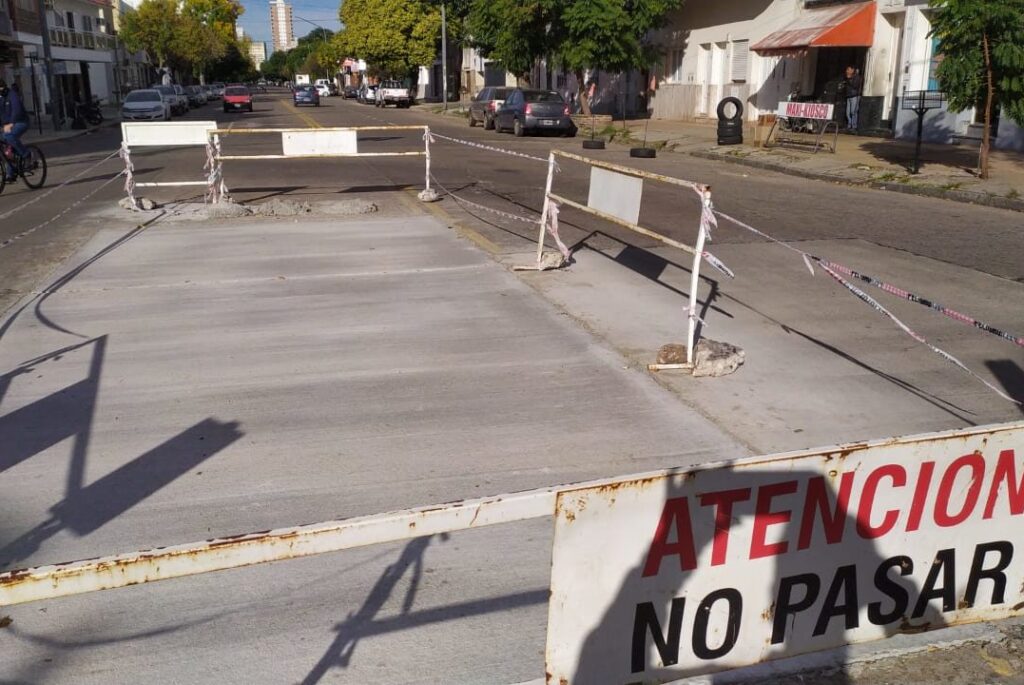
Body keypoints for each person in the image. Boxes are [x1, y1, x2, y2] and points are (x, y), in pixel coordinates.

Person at [0, 79, 31, 181]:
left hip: (20, 122)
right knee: (7, 146)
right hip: (7, 125)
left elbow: (17, 110)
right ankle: (10, 173)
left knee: (8, 136)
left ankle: (26, 154)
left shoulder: (12, 95)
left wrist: (11, 123)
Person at [844, 66, 863, 132]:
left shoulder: (857, 77)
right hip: (848, 96)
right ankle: (849, 125)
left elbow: (855, 86)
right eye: (847, 70)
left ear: (852, 70)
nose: (847, 71)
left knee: (853, 111)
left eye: (848, 69)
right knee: (847, 112)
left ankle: (854, 126)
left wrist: (849, 79)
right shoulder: (847, 77)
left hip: (855, 96)